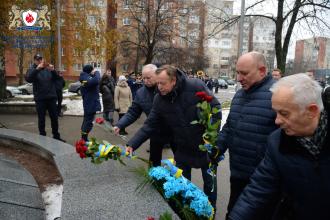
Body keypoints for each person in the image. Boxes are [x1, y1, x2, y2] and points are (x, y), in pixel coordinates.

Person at [229, 73, 330, 220]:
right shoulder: (277, 142)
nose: (277, 121)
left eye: (284, 113)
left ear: (312, 111)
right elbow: (258, 189)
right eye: (275, 112)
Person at [126, 65, 222, 209]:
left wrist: (211, 136)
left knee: (210, 184)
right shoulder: (159, 99)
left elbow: (216, 109)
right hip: (182, 147)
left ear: (173, 80)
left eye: (162, 83)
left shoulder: (195, 86)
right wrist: (132, 144)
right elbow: (149, 125)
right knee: (183, 185)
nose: (159, 87)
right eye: (157, 83)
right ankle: (188, 213)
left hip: (205, 146)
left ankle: (210, 212)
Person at [216, 51, 278, 218]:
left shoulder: (277, 97)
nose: (238, 78)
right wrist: (216, 148)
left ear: (262, 71)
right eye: (237, 72)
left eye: (244, 73)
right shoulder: (239, 95)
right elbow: (230, 127)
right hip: (237, 173)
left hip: (262, 181)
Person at [113, 64, 174, 166]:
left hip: (174, 131)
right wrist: (120, 125)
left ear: (157, 75)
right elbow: (132, 113)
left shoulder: (165, 88)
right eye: (143, 77)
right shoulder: (141, 93)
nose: (145, 80)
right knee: (154, 161)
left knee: (181, 161)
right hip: (154, 130)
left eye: (148, 78)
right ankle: (154, 179)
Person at [25, 54, 65, 142]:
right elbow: (28, 79)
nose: (39, 61)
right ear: (34, 60)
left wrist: (53, 70)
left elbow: (58, 79)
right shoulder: (32, 69)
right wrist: (37, 69)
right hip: (40, 99)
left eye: (40, 59)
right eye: (37, 59)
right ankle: (42, 137)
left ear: (43, 59)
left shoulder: (48, 69)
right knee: (41, 119)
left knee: (54, 118)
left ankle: (56, 136)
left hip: (51, 97)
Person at [80, 64, 101, 141]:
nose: (94, 71)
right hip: (90, 104)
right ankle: (84, 139)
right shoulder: (85, 77)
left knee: (87, 121)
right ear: (89, 70)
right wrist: (97, 72)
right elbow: (96, 81)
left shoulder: (86, 77)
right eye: (93, 70)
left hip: (90, 103)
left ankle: (84, 138)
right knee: (88, 122)